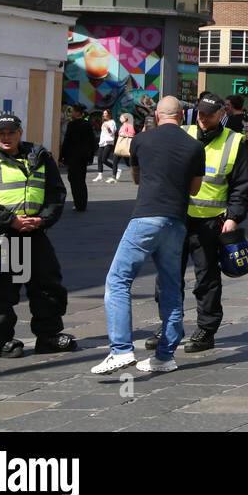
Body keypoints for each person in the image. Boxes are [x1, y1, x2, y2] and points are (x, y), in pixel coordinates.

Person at [92, 96, 206, 375]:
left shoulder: (143, 141)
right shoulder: (195, 146)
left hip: (146, 216)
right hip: (176, 221)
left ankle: (120, 350)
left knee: (118, 280)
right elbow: (194, 190)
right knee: (170, 287)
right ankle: (164, 356)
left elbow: (137, 178)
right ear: (182, 116)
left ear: (157, 115)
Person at [144, 94, 248, 355]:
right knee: (168, 277)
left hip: (210, 222)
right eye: (201, 115)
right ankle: (168, 325)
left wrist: (233, 217)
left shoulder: (233, 141)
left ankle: (206, 329)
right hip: (176, 217)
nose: (204, 120)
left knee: (206, 278)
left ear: (221, 115)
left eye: (209, 115)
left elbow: (240, 185)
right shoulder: (183, 133)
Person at [0, 113, 78, 360]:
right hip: (1, 235)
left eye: (11, 133)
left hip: (35, 232)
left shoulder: (39, 158)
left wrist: (43, 219)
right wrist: (11, 221)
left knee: (48, 285)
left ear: (20, 133)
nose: (6, 137)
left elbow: (55, 193)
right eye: (2, 133)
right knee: (2, 290)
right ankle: (0, 341)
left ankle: (48, 336)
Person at [59, 104, 97, 213]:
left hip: (73, 156)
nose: (71, 113)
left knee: (74, 180)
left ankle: (78, 203)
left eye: (73, 111)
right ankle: (82, 204)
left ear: (78, 113)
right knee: (81, 180)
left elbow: (67, 141)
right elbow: (92, 141)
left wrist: (61, 156)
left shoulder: (72, 125)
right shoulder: (87, 124)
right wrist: (90, 156)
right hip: (84, 157)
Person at [94, 110, 119, 183]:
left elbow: (112, 132)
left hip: (108, 142)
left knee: (104, 159)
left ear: (109, 115)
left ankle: (116, 169)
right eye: (103, 114)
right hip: (102, 142)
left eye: (105, 113)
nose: (104, 115)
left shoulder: (112, 122)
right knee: (99, 159)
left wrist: (108, 128)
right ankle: (100, 175)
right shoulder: (104, 122)